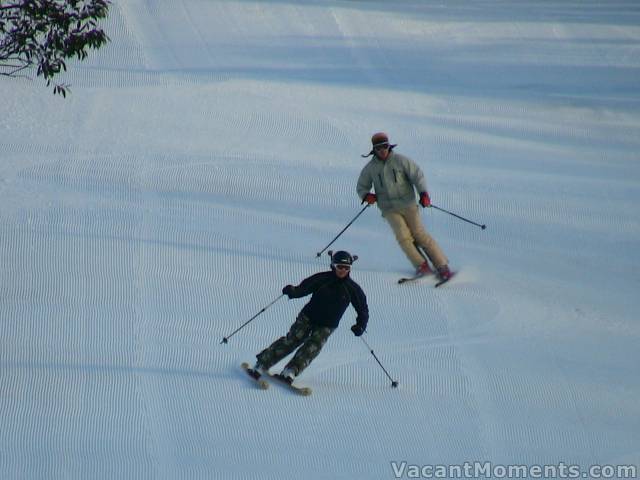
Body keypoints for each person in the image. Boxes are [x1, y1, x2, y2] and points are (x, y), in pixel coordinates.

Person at [252, 250, 369, 384]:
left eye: (346, 268)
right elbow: (304, 288)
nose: (342, 270)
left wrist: (361, 325)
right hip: (308, 318)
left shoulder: (353, 289)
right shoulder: (322, 279)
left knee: (312, 348)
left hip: (327, 325)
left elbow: (363, 309)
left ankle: (290, 371)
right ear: (333, 266)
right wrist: (293, 291)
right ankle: (262, 364)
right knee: (292, 340)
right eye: (339, 267)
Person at [357, 132, 452, 281]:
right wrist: (366, 195)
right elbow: (362, 186)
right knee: (403, 237)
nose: (382, 150)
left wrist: (424, 194)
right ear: (374, 150)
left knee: (419, 234)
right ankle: (422, 266)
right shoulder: (370, 168)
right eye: (379, 148)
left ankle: (442, 266)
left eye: (385, 146)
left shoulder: (401, 161)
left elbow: (417, 176)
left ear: (389, 146)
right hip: (388, 208)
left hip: (408, 205)